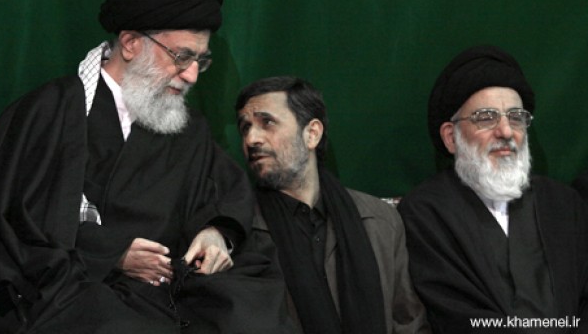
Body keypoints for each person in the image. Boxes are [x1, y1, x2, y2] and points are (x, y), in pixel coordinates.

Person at [0, 0, 294, 334]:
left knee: (250, 308)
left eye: (200, 60)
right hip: (82, 285)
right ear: (132, 43)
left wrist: (216, 233)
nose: (192, 75)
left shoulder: (188, 128)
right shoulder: (51, 110)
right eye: (181, 57)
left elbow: (222, 195)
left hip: (170, 288)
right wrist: (112, 255)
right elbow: (16, 223)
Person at [398, 45, 588, 333]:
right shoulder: (425, 214)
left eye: (516, 117)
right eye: (486, 117)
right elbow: (457, 317)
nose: (506, 131)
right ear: (451, 137)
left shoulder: (562, 203)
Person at [235, 76, 431, 334]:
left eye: (267, 122)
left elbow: (409, 322)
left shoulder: (379, 221)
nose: (251, 139)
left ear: (312, 134)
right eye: (245, 128)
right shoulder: (239, 231)